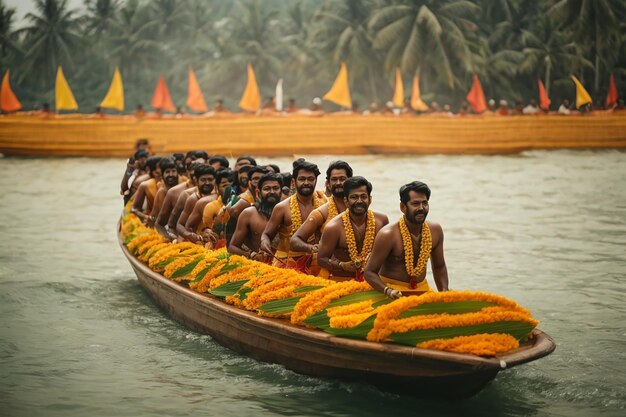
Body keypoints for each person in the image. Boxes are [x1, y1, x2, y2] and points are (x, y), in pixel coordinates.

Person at [364, 181, 448, 298]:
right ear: (403, 207)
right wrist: (387, 291)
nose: (421, 208)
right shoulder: (388, 234)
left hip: (422, 290)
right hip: (390, 292)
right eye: (415, 204)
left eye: (425, 203)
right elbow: (369, 272)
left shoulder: (435, 230)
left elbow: (439, 267)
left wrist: (444, 293)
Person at [260, 160, 327, 272]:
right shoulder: (282, 208)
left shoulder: (324, 205)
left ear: (316, 181)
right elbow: (266, 235)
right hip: (286, 263)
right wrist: (264, 243)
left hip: (315, 262)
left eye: (310, 179)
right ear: (293, 182)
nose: (306, 182)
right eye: (302, 179)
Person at [317, 176, 389, 281]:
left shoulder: (381, 221)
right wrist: (341, 265)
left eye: (363, 196)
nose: (359, 201)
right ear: (346, 201)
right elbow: (321, 259)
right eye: (354, 197)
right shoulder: (334, 227)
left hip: (372, 283)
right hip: (341, 283)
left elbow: (388, 254)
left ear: (370, 199)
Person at [290, 160, 353, 256]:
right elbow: (294, 241)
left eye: (342, 179)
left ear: (350, 181)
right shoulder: (321, 212)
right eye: (334, 179)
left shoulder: (359, 207)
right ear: (328, 183)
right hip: (327, 268)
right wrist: (312, 248)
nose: (338, 183)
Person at [229, 173, 283, 261]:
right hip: (257, 267)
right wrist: (251, 255)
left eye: (276, 188)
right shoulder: (248, 214)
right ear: (258, 192)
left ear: (281, 192)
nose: (272, 192)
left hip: (286, 268)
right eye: (267, 189)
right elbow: (232, 247)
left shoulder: (289, 212)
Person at [175, 165, 217, 243]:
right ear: (196, 180)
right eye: (203, 180)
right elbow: (180, 224)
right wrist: (190, 235)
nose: (207, 183)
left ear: (215, 180)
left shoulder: (219, 196)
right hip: (198, 241)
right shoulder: (193, 199)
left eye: (210, 179)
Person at [130, 156, 162, 222]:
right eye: (160, 167)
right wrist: (147, 217)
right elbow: (134, 208)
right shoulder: (144, 184)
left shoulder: (172, 180)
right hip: (151, 218)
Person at [148, 157, 180, 225]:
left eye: (173, 171)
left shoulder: (183, 184)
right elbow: (163, 220)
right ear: (162, 175)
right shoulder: (162, 191)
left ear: (178, 173)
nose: (171, 175)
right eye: (167, 172)